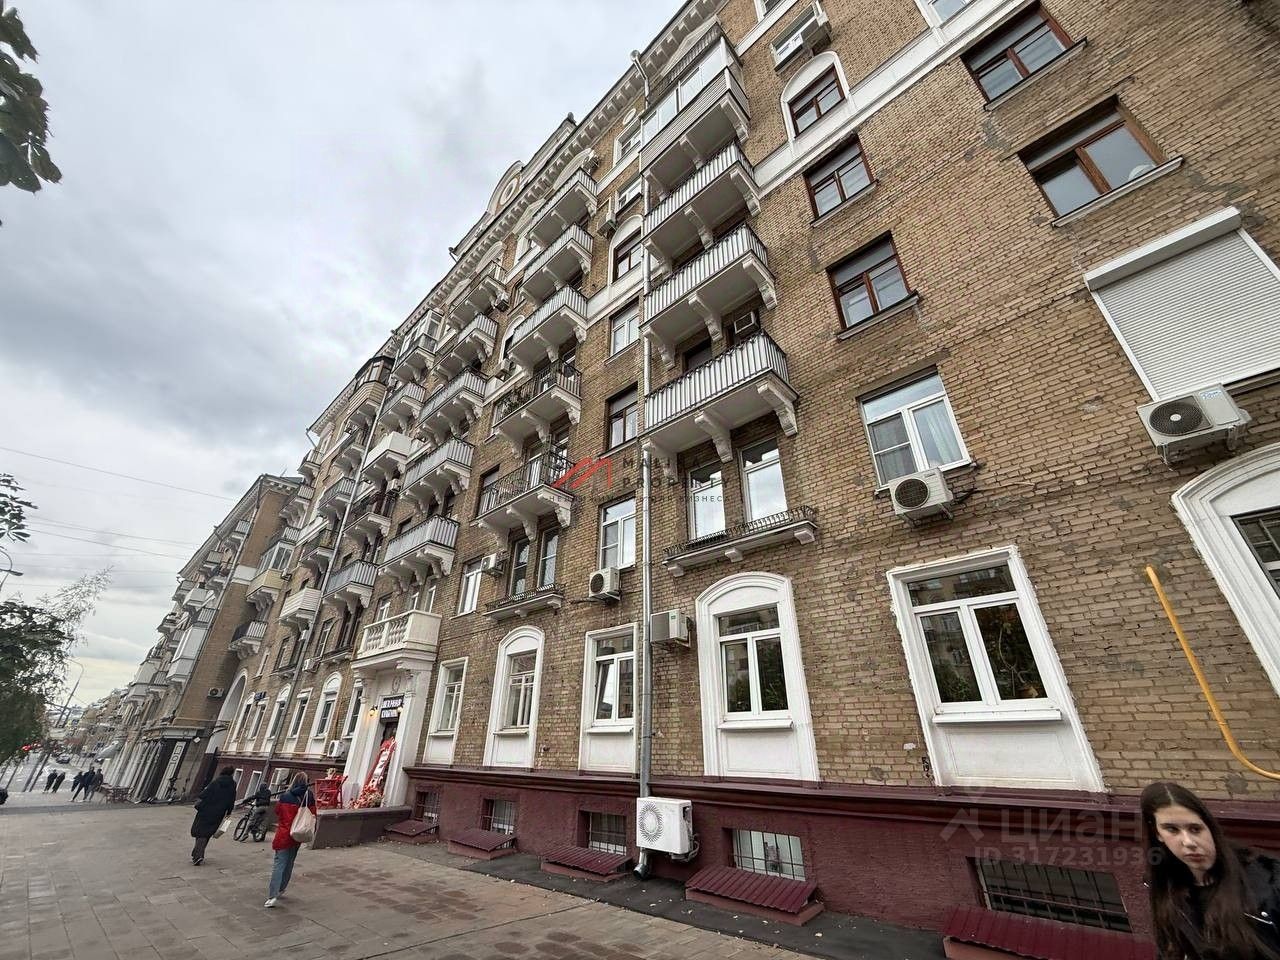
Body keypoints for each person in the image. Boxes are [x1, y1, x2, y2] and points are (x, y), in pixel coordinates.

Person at [1140, 781, 1280, 959]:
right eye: (1172, 830)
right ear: (1157, 833)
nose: (1189, 842)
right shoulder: (1164, 886)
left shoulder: (1269, 882)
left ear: (1210, 827)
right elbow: (1169, 948)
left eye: (1195, 829)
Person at [265, 773, 316, 908]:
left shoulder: (286, 796)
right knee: (290, 862)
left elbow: (277, 811)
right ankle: (281, 888)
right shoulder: (309, 796)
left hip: (284, 834)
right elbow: (313, 814)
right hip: (298, 834)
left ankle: (272, 895)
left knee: (279, 864)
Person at [189, 766, 237, 865]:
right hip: (219, 812)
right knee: (207, 832)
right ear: (232, 773)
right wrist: (229, 812)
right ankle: (197, 854)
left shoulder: (216, 782)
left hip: (206, 810)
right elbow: (231, 800)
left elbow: (203, 794)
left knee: (200, 832)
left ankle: (198, 855)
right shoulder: (232, 785)